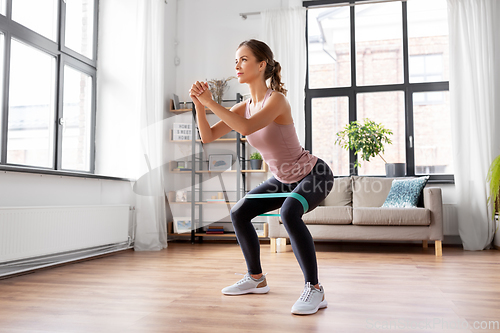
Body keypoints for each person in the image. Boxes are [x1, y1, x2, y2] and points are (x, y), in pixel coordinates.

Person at [188, 39, 334, 315]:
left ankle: (315, 289)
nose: (237, 65)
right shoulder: (244, 106)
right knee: (240, 212)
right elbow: (207, 136)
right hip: (282, 178)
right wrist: (199, 104)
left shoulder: (276, 100)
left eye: (243, 59)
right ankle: (256, 278)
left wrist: (210, 102)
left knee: (289, 213)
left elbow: (245, 127)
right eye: (236, 60)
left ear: (261, 64)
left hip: (314, 173)